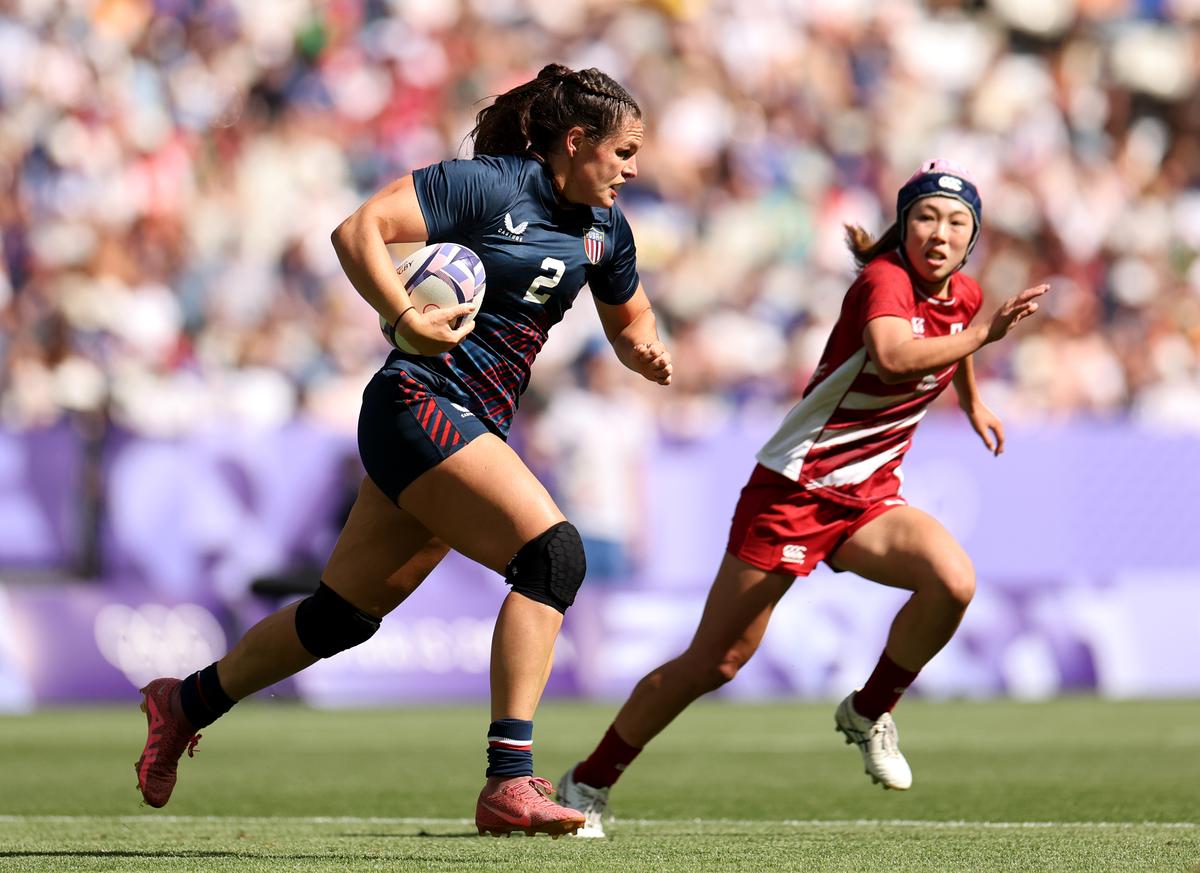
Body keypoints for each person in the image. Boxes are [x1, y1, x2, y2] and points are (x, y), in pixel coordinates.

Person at [134, 64, 673, 839]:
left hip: (468, 423)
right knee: (554, 557)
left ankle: (182, 703)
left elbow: (631, 319)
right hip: (416, 405)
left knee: (340, 618)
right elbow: (357, 231)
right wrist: (401, 318)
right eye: (622, 151)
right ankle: (510, 779)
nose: (632, 168)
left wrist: (644, 349)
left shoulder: (604, 228)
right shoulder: (488, 185)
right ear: (577, 140)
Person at [556, 160, 1048, 837]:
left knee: (953, 581)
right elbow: (897, 355)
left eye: (956, 222)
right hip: (794, 490)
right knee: (716, 661)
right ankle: (587, 780)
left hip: (869, 496)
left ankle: (869, 709)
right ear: (903, 225)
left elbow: (949, 341)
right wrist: (987, 338)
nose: (939, 232)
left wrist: (973, 398)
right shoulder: (884, 280)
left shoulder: (963, 294)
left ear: (973, 237)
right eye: (926, 217)